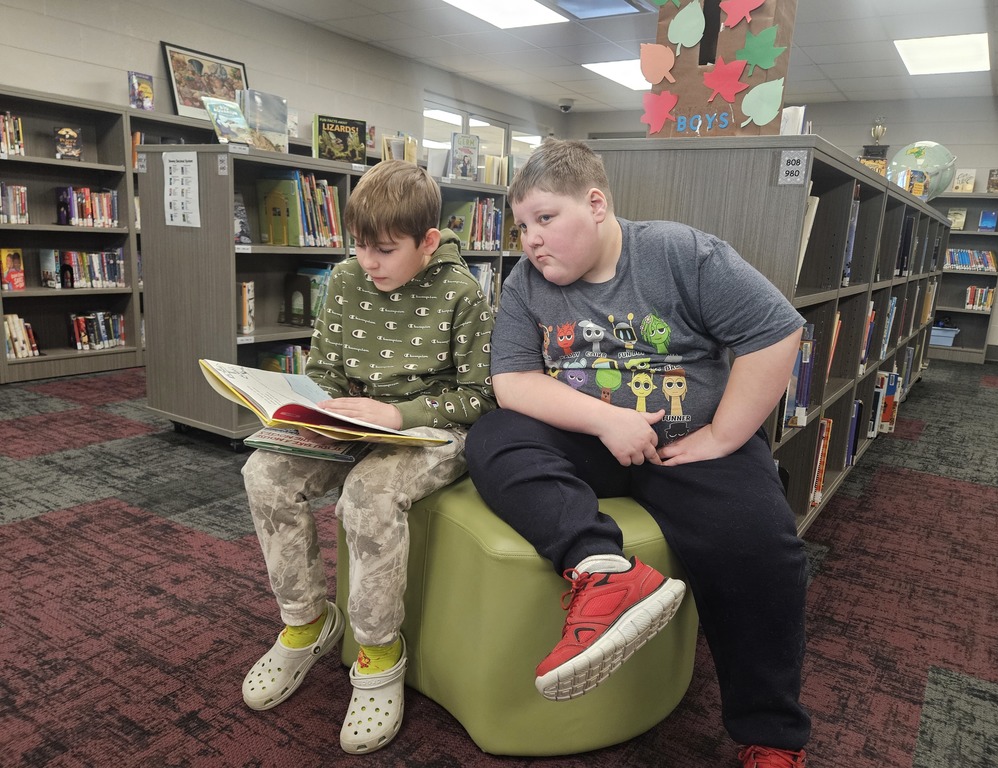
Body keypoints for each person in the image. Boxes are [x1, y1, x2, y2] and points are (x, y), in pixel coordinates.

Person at [465, 139, 810, 768]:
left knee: (763, 546)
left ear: (595, 204)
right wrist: (608, 421)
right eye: (521, 227)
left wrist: (723, 437)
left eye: (546, 218)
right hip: (594, 439)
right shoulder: (524, 284)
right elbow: (512, 382)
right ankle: (601, 570)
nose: (532, 242)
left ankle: (770, 737)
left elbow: (776, 328)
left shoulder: (679, 252)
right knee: (493, 436)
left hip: (692, 446)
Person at [241, 160, 495, 754]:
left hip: (433, 430)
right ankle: (308, 621)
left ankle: (379, 653)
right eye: (359, 246)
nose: (368, 262)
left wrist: (399, 416)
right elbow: (324, 366)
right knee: (265, 473)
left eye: (383, 249)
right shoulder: (348, 278)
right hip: (352, 423)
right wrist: (323, 409)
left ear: (428, 242)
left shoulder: (463, 295)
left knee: (369, 496)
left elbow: (480, 397)